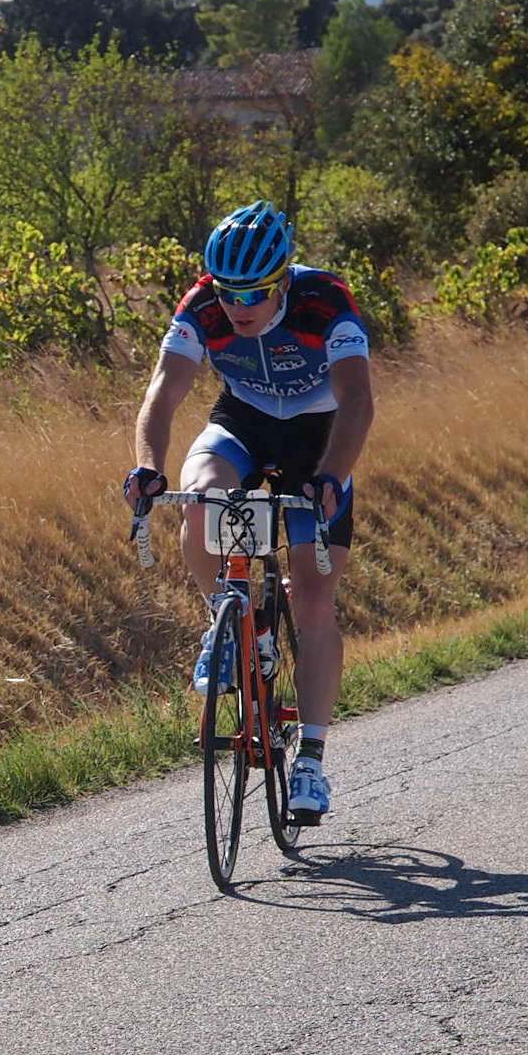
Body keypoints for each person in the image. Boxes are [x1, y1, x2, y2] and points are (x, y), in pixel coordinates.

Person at [125, 200, 374, 823]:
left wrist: (331, 476)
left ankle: (311, 759)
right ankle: (231, 626)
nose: (239, 306)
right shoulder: (201, 306)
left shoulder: (324, 301)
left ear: (283, 280)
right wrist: (148, 466)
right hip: (244, 422)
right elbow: (164, 391)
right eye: (228, 291)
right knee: (201, 496)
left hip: (318, 438)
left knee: (313, 598)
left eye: (255, 293)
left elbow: (357, 400)